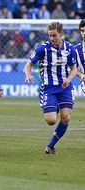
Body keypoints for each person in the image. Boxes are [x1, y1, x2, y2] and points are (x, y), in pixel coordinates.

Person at [24, 22, 77, 155]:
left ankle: (51, 146)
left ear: (61, 34)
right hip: (49, 89)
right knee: (51, 121)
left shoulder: (70, 48)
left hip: (65, 88)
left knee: (66, 118)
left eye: (54, 35)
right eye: (50, 35)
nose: (52, 38)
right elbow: (28, 64)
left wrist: (69, 79)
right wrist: (28, 75)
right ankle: (55, 106)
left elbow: (74, 68)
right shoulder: (43, 48)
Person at [75, 20, 85, 92]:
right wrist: (81, 75)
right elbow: (71, 67)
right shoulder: (76, 50)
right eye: (82, 31)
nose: (84, 33)